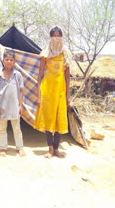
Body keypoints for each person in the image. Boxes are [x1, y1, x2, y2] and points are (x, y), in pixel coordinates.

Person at [34, 26, 72, 158]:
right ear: (50, 37)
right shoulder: (45, 53)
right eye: (54, 35)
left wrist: (68, 95)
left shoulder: (66, 53)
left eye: (59, 35)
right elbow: (39, 75)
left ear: (62, 37)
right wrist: (38, 95)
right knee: (49, 119)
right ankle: (50, 149)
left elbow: (67, 76)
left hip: (60, 90)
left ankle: (57, 148)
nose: (56, 38)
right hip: (47, 90)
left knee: (60, 118)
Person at [0, 49, 26, 157]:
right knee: (2, 128)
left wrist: (20, 105)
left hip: (15, 107)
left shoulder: (17, 75)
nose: (9, 62)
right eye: (7, 59)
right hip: (2, 107)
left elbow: (21, 91)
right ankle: (3, 147)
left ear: (14, 61)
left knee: (17, 128)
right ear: (3, 61)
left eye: (11, 60)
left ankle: (20, 148)